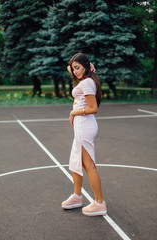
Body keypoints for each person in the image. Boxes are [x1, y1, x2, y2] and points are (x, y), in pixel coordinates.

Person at [61, 53, 107, 216]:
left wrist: (74, 112)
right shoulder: (86, 78)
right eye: (73, 69)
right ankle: (77, 196)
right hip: (82, 126)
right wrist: (80, 65)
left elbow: (93, 108)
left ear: (86, 66)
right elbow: (73, 67)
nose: (74, 72)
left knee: (89, 165)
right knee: (75, 161)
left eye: (77, 68)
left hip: (84, 127)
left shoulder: (87, 83)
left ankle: (99, 203)